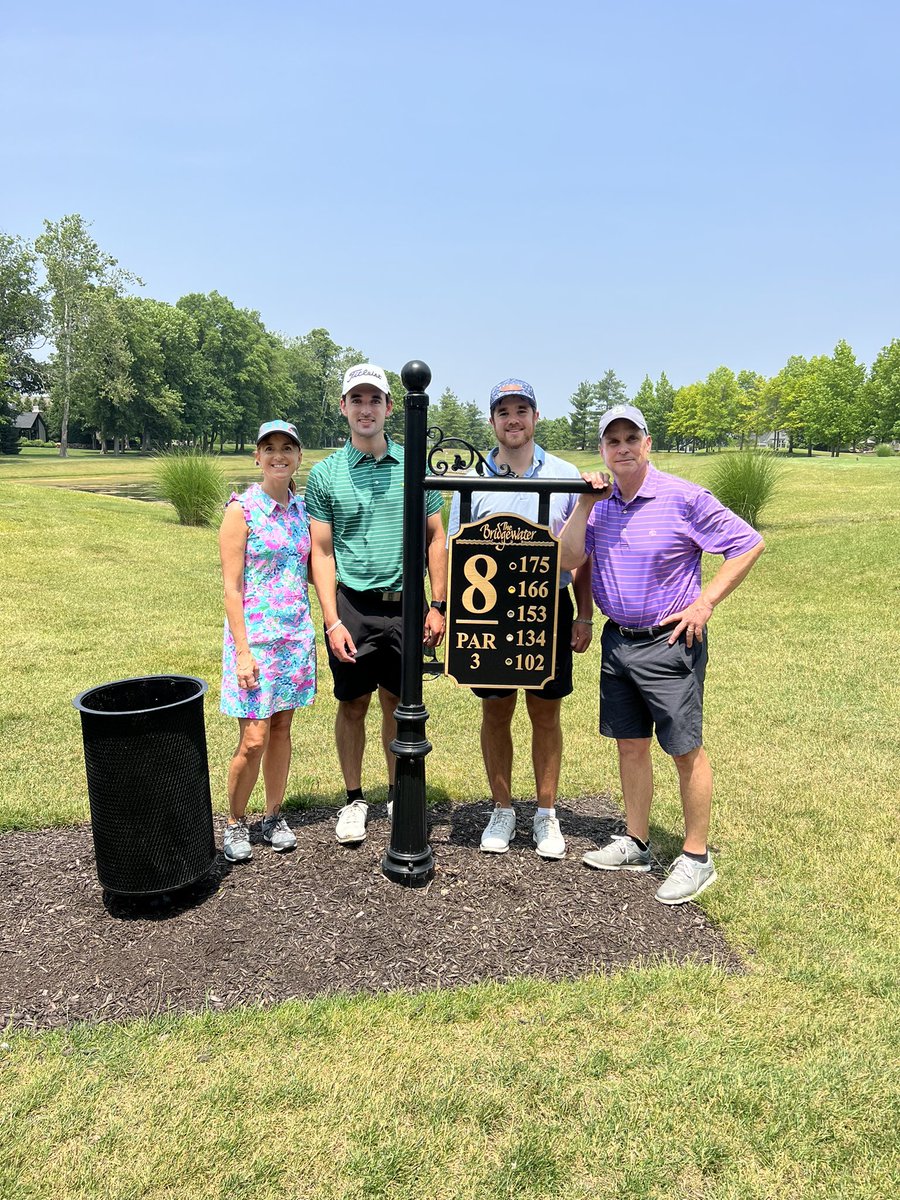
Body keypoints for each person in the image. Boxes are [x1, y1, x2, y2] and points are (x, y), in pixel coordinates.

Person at [558, 403, 764, 904]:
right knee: (630, 744)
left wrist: (705, 603)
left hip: (670, 642)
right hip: (617, 640)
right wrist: (584, 504)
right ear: (602, 449)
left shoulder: (683, 497)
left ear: (647, 444)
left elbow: (747, 543)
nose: (623, 448)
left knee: (684, 749)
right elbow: (567, 560)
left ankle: (697, 857)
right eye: (613, 441)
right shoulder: (597, 503)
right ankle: (637, 840)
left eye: (632, 438)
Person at [448, 378, 595, 859]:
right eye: (504, 411)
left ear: (535, 418)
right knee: (495, 709)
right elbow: (455, 552)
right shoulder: (471, 480)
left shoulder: (565, 473)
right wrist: (450, 613)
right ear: (492, 421)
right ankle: (503, 808)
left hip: (548, 604)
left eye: (521, 410)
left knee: (545, 711)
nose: (513, 420)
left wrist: (585, 615)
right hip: (487, 611)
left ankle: (546, 814)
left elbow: (582, 554)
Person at [305, 363, 447, 844]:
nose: (366, 409)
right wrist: (330, 621)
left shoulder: (415, 466)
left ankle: (395, 793)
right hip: (353, 606)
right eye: (356, 400)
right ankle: (353, 799)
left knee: (398, 701)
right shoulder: (325, 474)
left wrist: (439, 605)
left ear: (389, 408)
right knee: (352, 703)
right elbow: (322, 553)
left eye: (374, 400)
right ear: (344, 407)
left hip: (407, 604)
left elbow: (435, 540)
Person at [219, 420, 316, 863]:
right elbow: (232, 588)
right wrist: (242, 650)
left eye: (288, 447)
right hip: (254, 641)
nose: (279, 455)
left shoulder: (303, 512)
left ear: (299, 457)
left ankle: (273, 815)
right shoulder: (241, 510)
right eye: (269, 448)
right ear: (257, 457)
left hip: (294, 637)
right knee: (253, 737)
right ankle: (236, 822)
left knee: (281, 730)